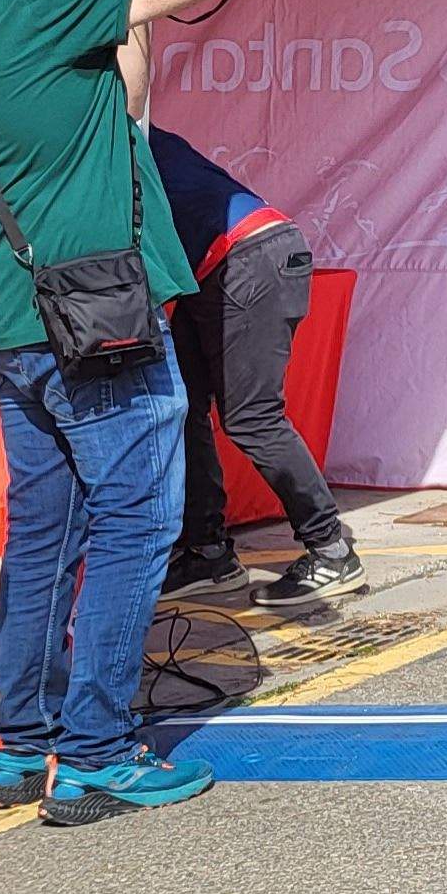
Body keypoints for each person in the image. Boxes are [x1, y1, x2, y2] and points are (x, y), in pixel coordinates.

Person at [0, 0, 237, 825]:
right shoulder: (46, 0)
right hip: (95, 322)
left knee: (46, 535)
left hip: (15, 319)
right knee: (135, 526)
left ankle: (24, 746)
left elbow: (127, 104)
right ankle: (99, 752)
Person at [149, 127, 359, 609]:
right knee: (181, 406)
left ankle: (332, 549)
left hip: (248, 256)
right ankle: (207, 554)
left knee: (252, 416)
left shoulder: (108, 139)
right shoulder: (122, 131)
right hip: (215, 266)